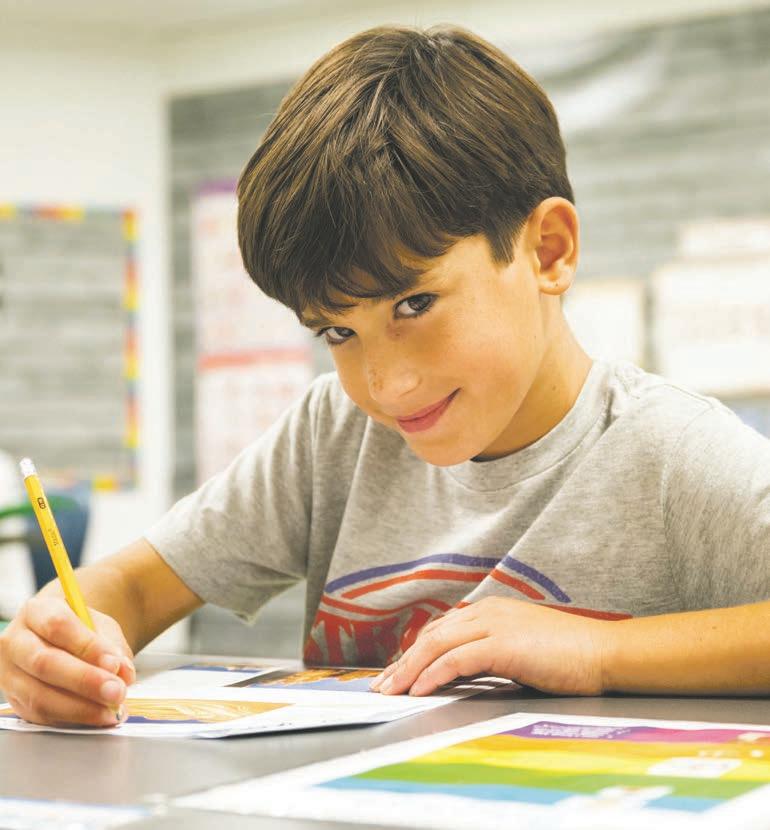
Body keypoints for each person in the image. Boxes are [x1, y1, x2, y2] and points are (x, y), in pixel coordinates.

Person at [1, 25, 769, 729]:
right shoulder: (332, 433)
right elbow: (132, 588)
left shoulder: (670, 452)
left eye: (415, 304)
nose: (387, 386)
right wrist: (60, 635)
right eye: (338, 332)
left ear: (548, 251)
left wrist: (599, 651)